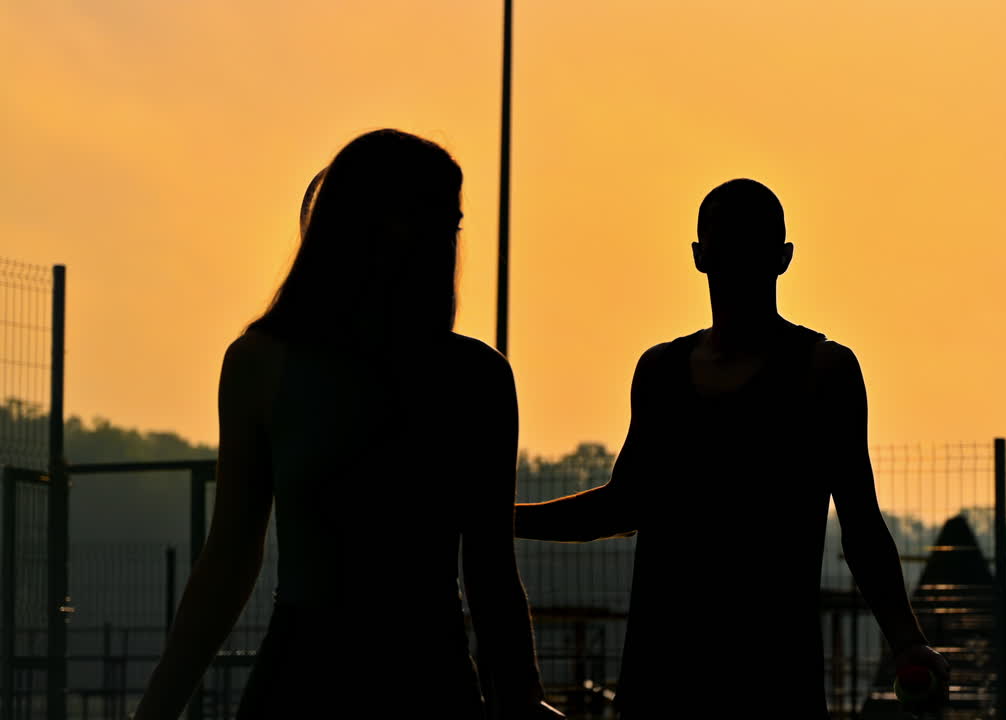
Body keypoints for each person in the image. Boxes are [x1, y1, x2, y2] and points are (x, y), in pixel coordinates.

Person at [133, 129, 562, 719]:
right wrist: (158, 706)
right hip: (337, 683)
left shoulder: (479, 377)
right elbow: (230, 556)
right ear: (366, 225)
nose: (446, 240)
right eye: (428, 217)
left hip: (410, 681)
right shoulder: (261, 363)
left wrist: (521, 700)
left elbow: (492, 574)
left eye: (452, 222)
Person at [515, 179, 949, 718]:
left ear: (700, 256)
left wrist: (499, 518)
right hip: (719, 674)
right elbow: (860, 527)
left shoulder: (806, 373)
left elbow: (622, 506)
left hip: (723, 675)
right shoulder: (798, 371)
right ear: (784, 258)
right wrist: (907, 641)